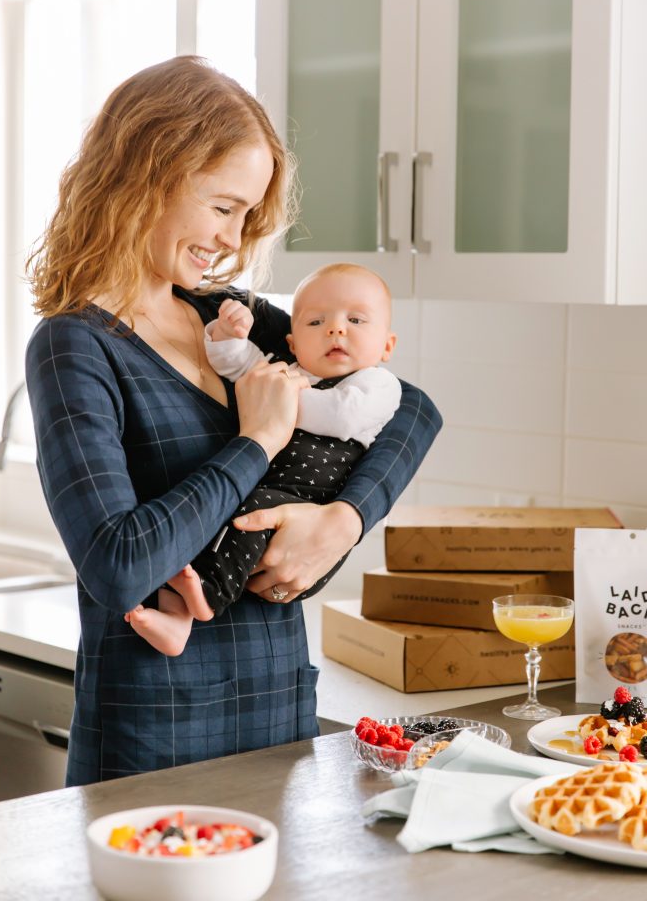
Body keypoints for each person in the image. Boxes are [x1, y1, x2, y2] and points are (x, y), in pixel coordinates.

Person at [24, 55, 442, 787]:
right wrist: (258, 443)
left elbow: (409, 406)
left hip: (278, 710)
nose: (233, 238)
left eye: (246, 215)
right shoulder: (74, 345)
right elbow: (117, 565)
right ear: (142, 178)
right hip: (154, 735)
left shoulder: (226, 313)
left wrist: (343, 520)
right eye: (222, 207)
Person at [126, 262, 403, 656]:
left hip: (305, 503)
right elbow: (239, 366)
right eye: (315, 322)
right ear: (292, 344)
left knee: (248, 517)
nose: (336, 329)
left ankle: (207, 597)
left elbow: (342, 415)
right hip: (264, 486)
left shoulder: (377, 383)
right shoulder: (289, 371)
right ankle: (176, 618)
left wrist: (276, 398)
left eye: (356, 320)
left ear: (387, 345)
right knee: (207, 512)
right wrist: (225, 335)